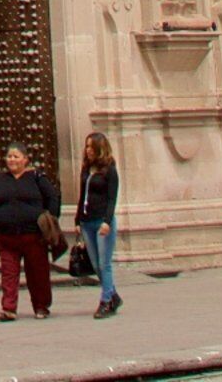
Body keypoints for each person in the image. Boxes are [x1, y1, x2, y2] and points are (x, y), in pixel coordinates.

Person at [0, 142, 60, 322]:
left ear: (25, 159)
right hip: (6, 236)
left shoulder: (36, 178)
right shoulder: (0, 180)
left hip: (33, 235)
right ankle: (9, 308)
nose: (12, 160)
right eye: (9, 156)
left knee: (37, 272)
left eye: (16, 156)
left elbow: (53, 197)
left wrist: (50, 219)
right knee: (9, 273)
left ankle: (41, 306)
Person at [74, 132, 122, 319]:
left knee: (104, 263)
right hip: (87, 221)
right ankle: (112, 294)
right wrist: (77, 220)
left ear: (100, 148)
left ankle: (106, 301)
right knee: (95, 264)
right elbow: (82, 196)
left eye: (91, 146)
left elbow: (112, 198)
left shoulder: (110, 170)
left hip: (102, 221)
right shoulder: (86, 169)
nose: (88, 150)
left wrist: (107, 221)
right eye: (86, 146)